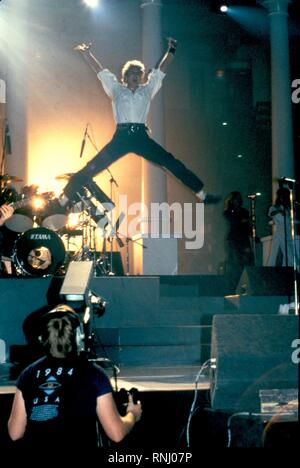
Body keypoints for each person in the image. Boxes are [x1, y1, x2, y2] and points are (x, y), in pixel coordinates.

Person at [61, 38, 219, 206]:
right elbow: (99, 71)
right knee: (94, 166)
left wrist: (171, 50)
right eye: (132, 73)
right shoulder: (116, 89)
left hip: (140, 137)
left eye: (138, 73)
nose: (135, 76)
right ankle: (64, 198)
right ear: (126, 77)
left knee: (171, 162)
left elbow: (161, 70)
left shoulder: (147, 90)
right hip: (121, 137)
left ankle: (202, 194)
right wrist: (86, 53)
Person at [8, 304, 142, 450]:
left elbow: (15, 433)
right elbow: (116, 433)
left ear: (42, 338)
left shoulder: (28, 374)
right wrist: (132, 414)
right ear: (79, 337)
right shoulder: (94, 374)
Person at [223, 191, 254, 292]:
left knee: (248, 261)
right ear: (232, 200)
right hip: (234, 239)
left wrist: (253, 235)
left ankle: (246, 285)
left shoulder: (244, 211)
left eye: (239, 198)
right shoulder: (229, 211)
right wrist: (244, 221)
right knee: (236, 263)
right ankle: (233, 286)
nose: (238, 200)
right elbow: (234, 222)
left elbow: (247, 226)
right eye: (236, 198)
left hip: (244, 239)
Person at [267, 187, 298, 267]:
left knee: (288, 253)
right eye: (282, 196)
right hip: (280, 233)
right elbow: (271, 214)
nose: (283, 198)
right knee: (275, 254)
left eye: (285, 196)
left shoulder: (288, 208)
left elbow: (291, 220)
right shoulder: (274, 207)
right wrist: (279, 211)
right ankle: (269, 270)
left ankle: (288, 269)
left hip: (287, 233)